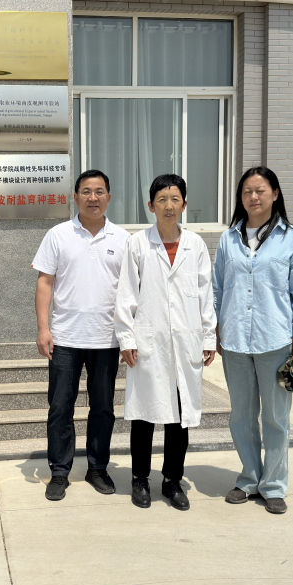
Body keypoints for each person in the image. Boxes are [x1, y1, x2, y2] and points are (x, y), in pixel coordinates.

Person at [213, 166, 293, 515]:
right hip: (235, 341)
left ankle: (273, 485)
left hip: (276, 341)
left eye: (260, 190)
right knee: (241, 415)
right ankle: (249, 479)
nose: (253, 197)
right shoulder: (229, 239)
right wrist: (214, 330)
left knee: (276, 417)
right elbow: (217, 289)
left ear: (274, 194)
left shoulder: (292, 239)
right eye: (247, 191)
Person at [114, 174, 217, 511]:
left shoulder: (195, 245)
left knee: (179, 416)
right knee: (144, 415)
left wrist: (208, 336)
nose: (168, 206)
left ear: (184, 204)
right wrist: (126, 337)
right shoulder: (138, 243)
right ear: (151, 206)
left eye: (175, 199)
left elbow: (205, 294)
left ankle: (172, 480)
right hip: (148, 342)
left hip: (185, 342)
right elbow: (126, 293)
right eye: (162, 200)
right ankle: (139, 479)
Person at [32, 169, 130, 501]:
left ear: (109, 197)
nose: (92, 197)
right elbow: (45, 283)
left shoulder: (123, 239)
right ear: (75, 197)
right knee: (60, 407)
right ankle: (59, 472)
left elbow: (130, 291)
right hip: (64, 339)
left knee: (103, 408)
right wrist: (43, 328)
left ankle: (97, 468)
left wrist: (128, 337)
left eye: (99, 191)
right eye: (86, 191)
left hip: (106, 339)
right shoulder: (58, 235)